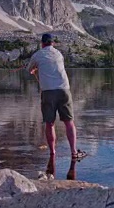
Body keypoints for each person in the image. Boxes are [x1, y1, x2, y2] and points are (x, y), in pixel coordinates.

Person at [27, 33, 85, 172]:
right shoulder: (59, 54)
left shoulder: (37, 55)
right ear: (53, 43)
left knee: (49, 123)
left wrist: (35, 69)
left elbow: (29, 70)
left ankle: (52, 153)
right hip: (64, 90)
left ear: (42, 44)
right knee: (69, 122)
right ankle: (73, 152)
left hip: (48, 92)